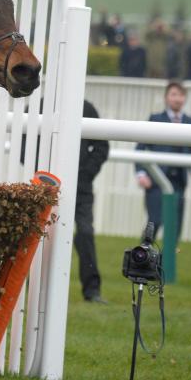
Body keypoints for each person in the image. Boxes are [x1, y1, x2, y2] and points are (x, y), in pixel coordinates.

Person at [134, 82, 191, 243]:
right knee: (154, 222)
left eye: (181, 95)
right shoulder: (155, 119)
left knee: (175, 228)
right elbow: (140, 148)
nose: (177, 99)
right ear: (166, 98)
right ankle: (141, 261)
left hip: (179, 182)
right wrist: (141, 173)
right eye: (174, 94)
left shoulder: (190, 122)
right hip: (156, 180)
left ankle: (166, 267)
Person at [75, 100, 110, 303]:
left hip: (81, 188)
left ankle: (92, 291)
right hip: (47, 186)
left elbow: (102, 146)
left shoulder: (88, 108)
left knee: (86, 233)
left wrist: (85, 174)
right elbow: (25, 145)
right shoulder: (43, 104)